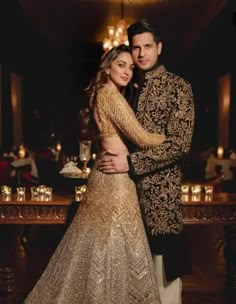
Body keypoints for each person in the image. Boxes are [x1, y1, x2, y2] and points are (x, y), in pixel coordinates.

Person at [24, 44, 166, 304]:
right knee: (116, 242)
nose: (127, 71)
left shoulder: (100, 93)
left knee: (96, 242)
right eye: (121, 65)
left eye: (131, 67)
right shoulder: (111, 96)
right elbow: (142, 138)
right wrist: (174, 140)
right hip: (116, 179)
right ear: (108, 66)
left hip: (106, 174)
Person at [99, 20, 195, 304]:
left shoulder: (178, 87)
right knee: (128, 283)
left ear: (160, 48)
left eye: (148, 46)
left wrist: (130, 163)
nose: (141, 54)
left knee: (163, 285)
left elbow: (179, 145)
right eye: (136, 48)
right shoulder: (125, 85)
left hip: (159, 198)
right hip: (122, 195)